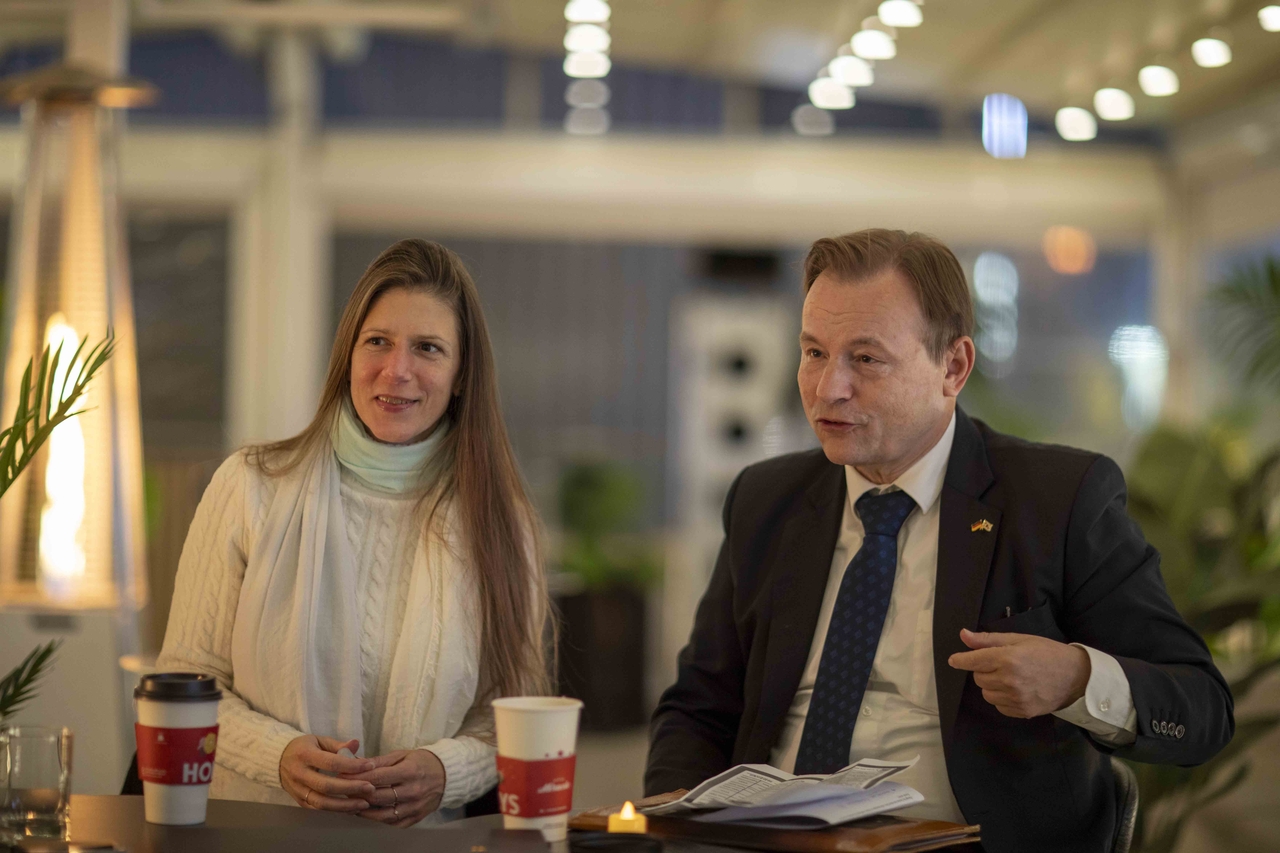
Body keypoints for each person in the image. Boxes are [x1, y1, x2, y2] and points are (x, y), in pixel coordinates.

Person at [645, 229, 1234, 853]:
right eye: (814, 353)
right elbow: (697, 707)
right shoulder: (768, 500)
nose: (827, 389)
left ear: (952, 367)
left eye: (865, 359)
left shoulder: (1058, 501)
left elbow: (1202, 709)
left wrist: (1077, 679)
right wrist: (677, 833)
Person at [158, 239, 550, 827]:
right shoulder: (249, 486)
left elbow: (514, 722)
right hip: (253, 835)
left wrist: (446, 771)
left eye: (428, 348)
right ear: (348, 354)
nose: (398, 370)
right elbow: (183, 688)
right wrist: (279, 755)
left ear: (462, 373)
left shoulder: (501, 521)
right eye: (378, 342)